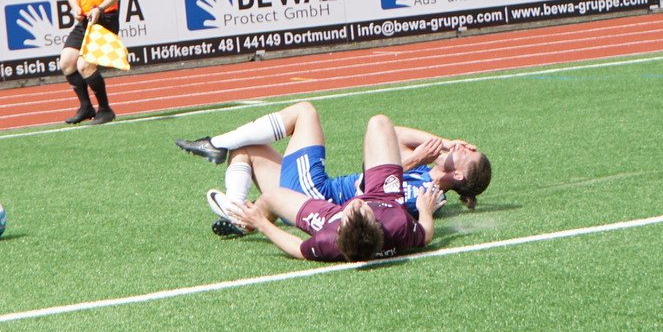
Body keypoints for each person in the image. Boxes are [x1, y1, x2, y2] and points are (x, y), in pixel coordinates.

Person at [174, 102, 490, 235]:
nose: (463, 147)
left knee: (305, 112)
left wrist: (414, 160)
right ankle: (240, 213)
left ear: (459, 176)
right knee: (247, 148)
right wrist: (443, 142)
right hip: (308, 195)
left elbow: (374, 191)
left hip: (318, 197)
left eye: (465, 153)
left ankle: (215, 144)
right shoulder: (422, 170)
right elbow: (389, 135)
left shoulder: (428, 192)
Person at [218, 111, 445, 261]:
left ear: (340, 230)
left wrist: (261, 223)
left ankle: (242, 220)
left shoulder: (327, 240)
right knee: (379, 123)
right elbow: (425, 235)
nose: (357, 203)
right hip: (383, 197)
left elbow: (297, 248)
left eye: (352, 211)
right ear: (377, 223)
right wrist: (425, 210)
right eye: (363, 211)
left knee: (271, 197)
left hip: (328, 211)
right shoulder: (397, 225)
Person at [61, 0, 124, 125]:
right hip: (85, 19)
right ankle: (86, 107)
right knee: (67, 62)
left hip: (105, 18)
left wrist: (100, 8)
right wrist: (75, 8)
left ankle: (105, 110)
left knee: (85, 64)